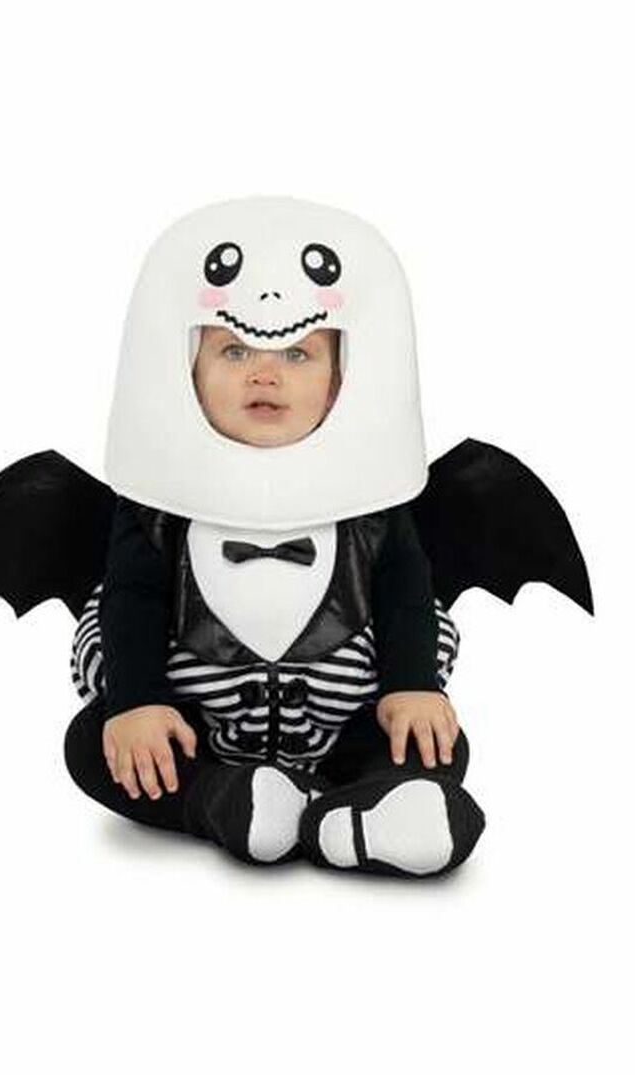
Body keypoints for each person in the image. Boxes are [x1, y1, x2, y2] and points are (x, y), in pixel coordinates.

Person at [64, 205, 487, 879]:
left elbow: (405, 593)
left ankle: (377, 807)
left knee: (435, 741)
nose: (264, 374)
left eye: (297, 354)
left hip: (344, 724)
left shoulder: (374, 500)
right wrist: (138, 702)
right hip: (194, 733)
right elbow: (131, 598)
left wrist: (412, 685)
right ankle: (226, 802)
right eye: (233, 351)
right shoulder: (156, 502)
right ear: (188, 376)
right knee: (94, 745)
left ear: (339, 385)